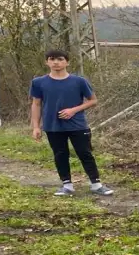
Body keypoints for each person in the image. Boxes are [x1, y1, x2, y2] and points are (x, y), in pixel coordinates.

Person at [30, 49, 113, 197]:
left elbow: (93, 100)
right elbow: (36, 104)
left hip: (78, 125)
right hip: (53, 126)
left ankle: (96, 185)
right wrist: (36, 127)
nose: (56, 62)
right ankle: (67, 185)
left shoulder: (79, 81)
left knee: (85, 153)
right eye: (52, 59)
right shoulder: (38, 82)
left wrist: (73, 110)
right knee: (60, 155)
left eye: (60, 59)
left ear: (67, 62)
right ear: (46, 62)